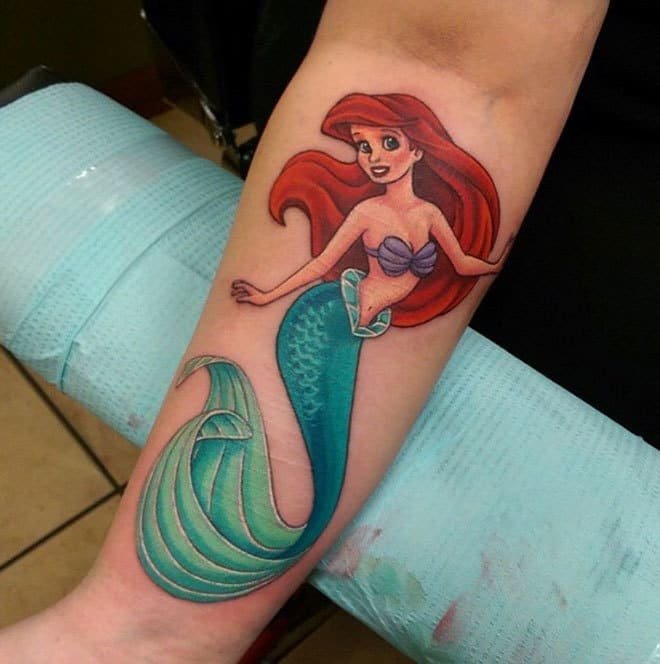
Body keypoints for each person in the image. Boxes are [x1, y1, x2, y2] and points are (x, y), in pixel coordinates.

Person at [0, 1, 608, 661]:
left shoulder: (430, 212)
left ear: (417, 145)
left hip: (387, 306)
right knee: (308, 453)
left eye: (387, 143)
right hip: (327, 316)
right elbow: (326, 256)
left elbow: (460, 259)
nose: (373, 157)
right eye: (364, 147)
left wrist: (489, 258)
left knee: (321, 459)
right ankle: (238, 570)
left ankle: (262, 565)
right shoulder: (369, 213)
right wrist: (143, 628)